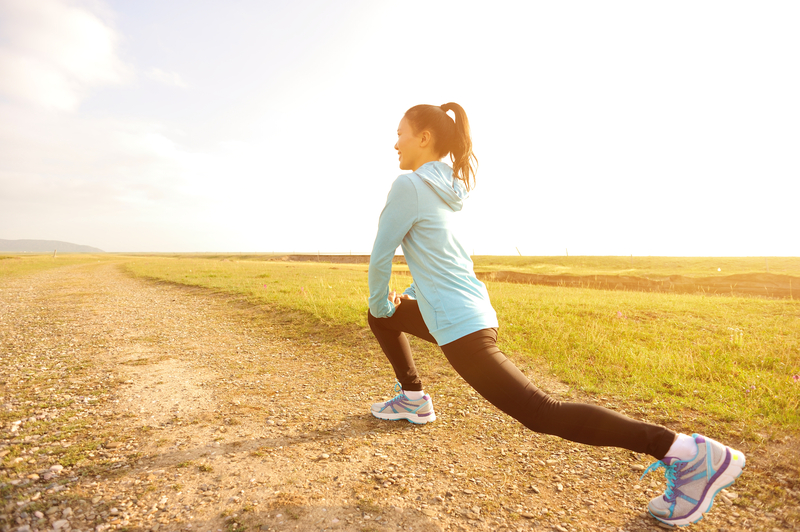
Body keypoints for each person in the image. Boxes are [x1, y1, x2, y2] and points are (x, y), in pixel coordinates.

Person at [366, 102, 745, 527]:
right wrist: (399, 304)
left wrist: (381, 300)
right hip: (473, 310)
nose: (394, 141)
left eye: (400, 132)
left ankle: (689, 453)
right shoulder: (446, 188)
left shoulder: (408, 185)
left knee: (541, 412)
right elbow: (440, 257)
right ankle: (414, 399)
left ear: (424, 137)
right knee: (382, 317)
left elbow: (381, 256)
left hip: (461, 326)